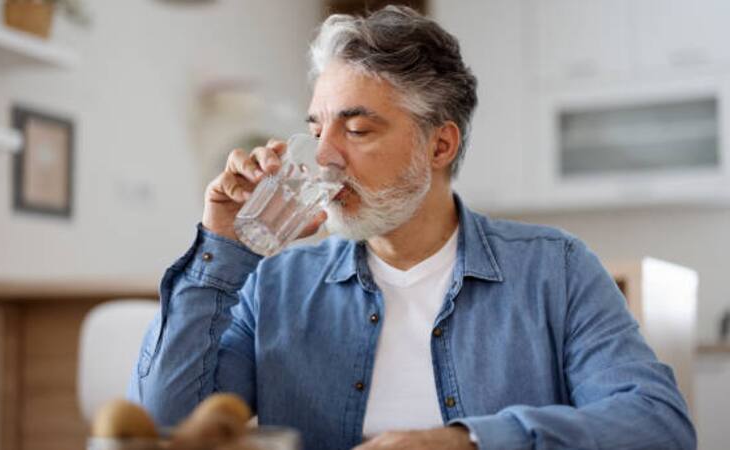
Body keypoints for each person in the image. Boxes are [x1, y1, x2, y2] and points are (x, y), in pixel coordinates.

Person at [128, 6, 695, 450]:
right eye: (316, 128)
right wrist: (224, 247)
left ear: (440, 144)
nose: (323, 157)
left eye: (357, 130)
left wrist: (468, 441)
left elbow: (657, 426)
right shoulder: (275, 283)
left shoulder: (556, 270)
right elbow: (164, 424)